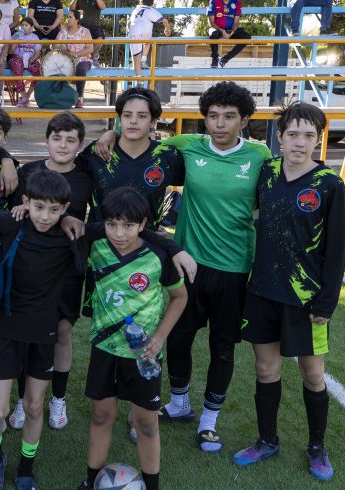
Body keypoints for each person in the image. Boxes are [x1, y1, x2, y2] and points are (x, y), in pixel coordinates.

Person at [94, 82, 273, 454]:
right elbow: (138, 130)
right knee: (178, 337)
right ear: (203, 118)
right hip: (187, 263)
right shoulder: (187, 147)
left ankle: (209, 422)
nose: (219, 124)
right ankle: (178, 402)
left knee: (223, 347)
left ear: (244, 119)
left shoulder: (259, 156)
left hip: (234, 268)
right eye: (212, 116)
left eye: (228, 117)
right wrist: (111, 130)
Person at [0, 170, 88, 490]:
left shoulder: (72, 232)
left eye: (54, 209)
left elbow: (128, 228)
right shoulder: (12, 223)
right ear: (25, 202)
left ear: (65, 207)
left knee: (35, 406)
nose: (45, 216)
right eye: (38, 207)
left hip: (43, 335)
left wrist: (175, 251)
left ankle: (25, 469)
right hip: (6, 330)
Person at [232, 102, 345, 482]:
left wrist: (327, 302)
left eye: (309, 136)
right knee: (266, 369)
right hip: (263, 291)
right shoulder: (266, 172)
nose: (300, 142)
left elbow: (337, 250)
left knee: (313, 375)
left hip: (306, 299)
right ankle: (267, 440)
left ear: (319, 139)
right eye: (293, 134)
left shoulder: (329, 185)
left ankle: (317, 445)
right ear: (279, 137)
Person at [75, 187, 188, 490]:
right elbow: (72, 226)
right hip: (105, 348)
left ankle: (152, 485)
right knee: (101, 416)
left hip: (143, 354)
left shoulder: (158, 256)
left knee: (147, 423)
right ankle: (90, 481)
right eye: (112, 224)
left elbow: (179, 297)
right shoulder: (95, 246)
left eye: (128, 225)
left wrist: (161, 335)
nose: (119, 233)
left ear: (142, 225)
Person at [7, 112, 94, 432]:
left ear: (79, 144)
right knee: (26, 333)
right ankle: (21, 399)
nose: (63, 144)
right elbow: (17, 210)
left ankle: (58, 398)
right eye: (57, 138)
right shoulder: (29, 171)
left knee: (62, 332)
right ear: (47, 139)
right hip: (29, 267)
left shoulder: (87, 173)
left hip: (68, 267)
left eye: (71, 140)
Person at [80, 86, 184, 229]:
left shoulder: (167, 156)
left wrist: (173, 230)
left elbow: (197, 189)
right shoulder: (98, 151)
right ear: (120, 120)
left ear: (153, 122)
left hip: (147, 246)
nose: (133, 121)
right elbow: (69, 179)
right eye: (127, 115)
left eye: (142, 116)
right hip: (100, 246)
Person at [56, 10, 95, 108]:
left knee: (81, 69)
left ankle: (79, 98)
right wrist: (62, 47)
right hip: (65, 60)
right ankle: (60, 99)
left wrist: (76, 54)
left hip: (83, 59)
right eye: (67, 17)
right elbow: (55, 45)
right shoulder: (63, 32)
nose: (67, 19)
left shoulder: (85, 31)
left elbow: (90, 48)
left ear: (77, 19)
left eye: (70, 17)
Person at [128, 0, 171, 79]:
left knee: (136, 58)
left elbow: (129, 23)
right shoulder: (149, 9)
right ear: (152, 4)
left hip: (134, 32)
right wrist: (167, 29)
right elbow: (164, 20)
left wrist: (129, 32)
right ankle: (143, 61)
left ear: (141, 2)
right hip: (145, 32)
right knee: (147, 42)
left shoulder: (135, 10)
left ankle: (139, 82)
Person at [9, 17, 42, 107]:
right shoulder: (16, 35)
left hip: (30, 59)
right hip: (17, 58)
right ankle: (23, 95)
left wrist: (34, 58)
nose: (23, 27)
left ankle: (28, 95)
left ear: (31, 27)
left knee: (38, 70)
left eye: (26, 25)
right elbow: (11, 52)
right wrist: (14, 42)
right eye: (22, 25)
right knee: (17, 66)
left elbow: (38, 53)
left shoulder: (35, 37)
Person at [208, 0, 251, 68]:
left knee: (246, 37)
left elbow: (236, 22)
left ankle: (225, 59)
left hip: (230, 30)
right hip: (217, 29)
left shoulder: (236, 2)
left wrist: (232, 31)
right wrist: (221, 30)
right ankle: (215, 58)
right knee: (213, 34)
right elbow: (212, 22)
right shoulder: (213, 1)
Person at [71, 0, 106, 66]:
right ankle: (84, 57)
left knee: (100, 39)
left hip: (94, 26)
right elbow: (71, 9)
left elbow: (103, 7)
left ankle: (92, 57)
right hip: (80, 26)